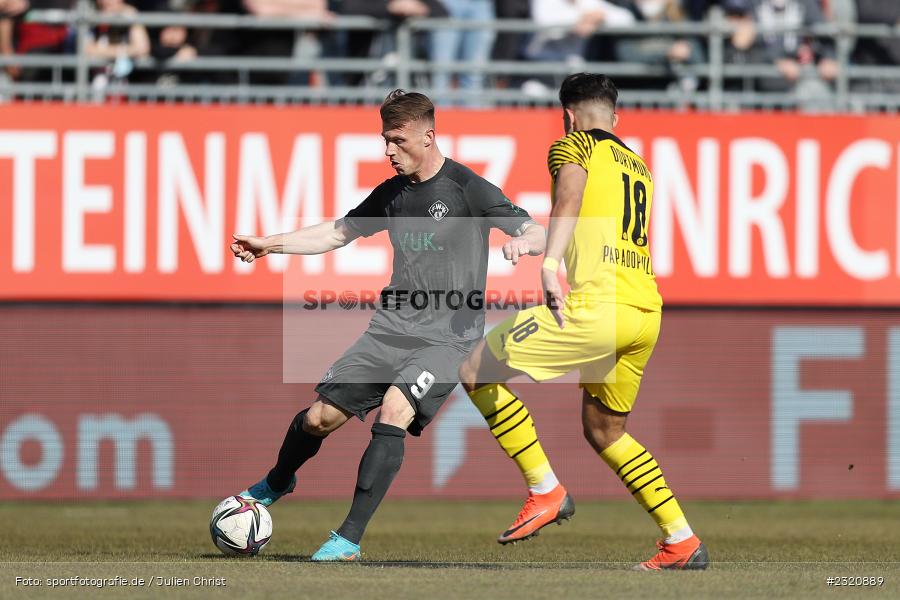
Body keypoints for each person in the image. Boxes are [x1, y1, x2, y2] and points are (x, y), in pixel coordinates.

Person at [231, 89, 545, 561]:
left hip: (447, 339)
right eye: (385, 140)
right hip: (388, 331)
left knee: (395, 409)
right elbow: (338, 231)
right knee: (319, 419)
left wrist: (527, 244)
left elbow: (533, 227)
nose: (389, 150)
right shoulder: (392, 193)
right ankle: (278, 481)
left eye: (398, 140)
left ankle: (347, 539)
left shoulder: (467, 187)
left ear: (428, 135)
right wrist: (268, 244)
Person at [456, 73, 709, 571]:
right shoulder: (636, 166)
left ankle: (544, 489)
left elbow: (568, 200)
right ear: (615, 116)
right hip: (643, 313)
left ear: (567, 115)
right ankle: (681, 540)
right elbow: (586, 229)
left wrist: (547, 267)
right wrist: (534, 243)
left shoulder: (573, 146)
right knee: (605, 430)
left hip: (597, 309)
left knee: (472, 370)